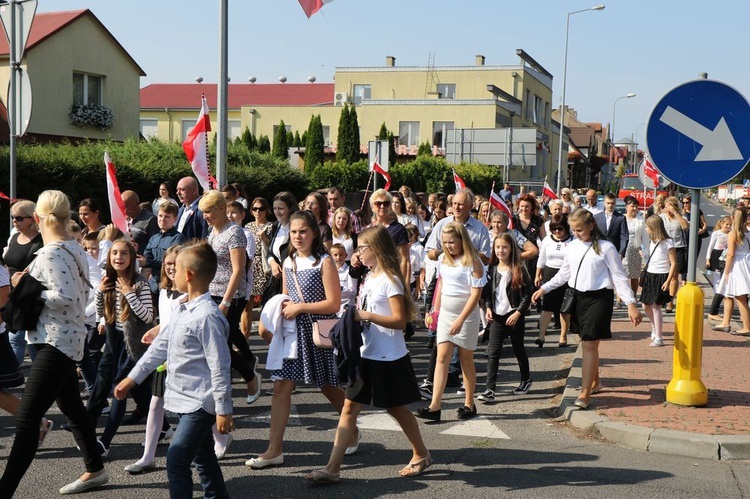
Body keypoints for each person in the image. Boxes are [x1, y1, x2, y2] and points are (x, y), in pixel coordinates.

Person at [0, 190, 109, 496]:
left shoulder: (52, 252)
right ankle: (96, 469)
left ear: (37, 219)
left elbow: (67, 296)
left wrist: (28, 288)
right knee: (71, 405)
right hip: (64, 337)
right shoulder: (73, 246)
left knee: (27, 420)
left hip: (56, 341)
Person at [306, 225, 430, 484]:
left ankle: (421, 453)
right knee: (349, 408)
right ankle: (332, 468)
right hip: (367, 353)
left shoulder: (390, 280)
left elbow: (400, 321)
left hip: (388, 356)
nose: (358, 253)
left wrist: (365, 315)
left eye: (362, 248)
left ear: (376, 249)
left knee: (396, 409)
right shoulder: (370, 276)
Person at [114, 241, 234, 499]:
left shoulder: (208, 316)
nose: (172, 274)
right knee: (203, 456)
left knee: (177, 458)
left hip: (202, 403)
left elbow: (220, 366)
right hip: (183, 399)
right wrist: (132, 378)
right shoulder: (181, 307)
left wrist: (224, 410)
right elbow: (159, 348)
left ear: (188, 275)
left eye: (176, 269)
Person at [246, 211, 352, 470]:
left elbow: (334, 303)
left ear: (314, 232)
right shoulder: (289, 260)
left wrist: (301, 307)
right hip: (292, 332)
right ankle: (274, 450)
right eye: (293, 232)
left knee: (327, 385)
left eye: (303, 231)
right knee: (281, 386)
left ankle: (352, 428)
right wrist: (274, 317)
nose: (298, 236)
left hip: (316, 330)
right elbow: (284, 296)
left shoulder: (324, 261)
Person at [532, 209, 642, 410]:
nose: (575, 233)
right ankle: (595, 381)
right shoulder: (572, 246)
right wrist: (544, 288)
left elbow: (619, 276)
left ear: (591, 226)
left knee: (589, 344)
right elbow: (564, 274)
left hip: (599, 298)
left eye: (579, 230)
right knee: (587, 342)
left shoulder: (606, 248)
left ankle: (585, 392)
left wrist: (630, 304)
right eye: (573, 230)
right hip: (577, 297)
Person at [415, 222, 485, 422]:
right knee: (441, 358)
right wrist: (434, 311)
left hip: (466, 317)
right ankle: (435, 405)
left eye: (452, 242)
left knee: (465, 360)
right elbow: (441, 284)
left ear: (462, 240)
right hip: (445, 315)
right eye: (445, 242)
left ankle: (469, 404)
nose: (448, 246)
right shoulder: (444, 260)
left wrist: (460, 320)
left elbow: (475, 296)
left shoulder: (473, 262)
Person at [123, 245, 183, 474]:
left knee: (195, 407)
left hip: (183, 358)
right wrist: (156, 330)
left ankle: (219, 440)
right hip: (164, 355)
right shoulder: (164, 292)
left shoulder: (188, 295)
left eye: (175, 264)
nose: (170, 267)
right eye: (167, 263)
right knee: (155, 403)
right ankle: (148, 456)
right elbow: (167, 322)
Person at [95, 239, 156, 456]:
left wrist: (130, 293)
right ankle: (166, 429)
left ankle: (104, 442)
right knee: (141, 391)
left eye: (123, 254)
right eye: (114, 254)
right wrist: (100, 292)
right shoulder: (109, 282)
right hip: (116, 343)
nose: (118, 258)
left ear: (131, 259)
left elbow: (148, 316)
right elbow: (101, 313)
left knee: (119, 391)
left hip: (135, 346)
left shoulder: (140, 283)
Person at [200, 190, 260, 404]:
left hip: (232, 295)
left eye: (208, 211)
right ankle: (247, 365)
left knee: (220, 344)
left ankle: (251, 377)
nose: (205, 215)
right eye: (203, 212)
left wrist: (226, 301)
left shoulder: (235, 232)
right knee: (224, 338)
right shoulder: (213, 231)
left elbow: (238, 269)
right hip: (212, 292)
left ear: (221, 208)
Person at [478, 232, 532, 402]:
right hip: (497, 317)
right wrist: (487, 307)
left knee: (518, 349)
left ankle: (526, 379)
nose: (501, 250)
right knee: (493, 352)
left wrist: (518, 313)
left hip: (514, 314)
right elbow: (487, 293)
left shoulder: (518, 269)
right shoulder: (492, 270)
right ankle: (490, 390)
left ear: (511, 249)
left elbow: (526, 295)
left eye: (504, 247)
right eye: (498, 247)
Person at [4, 199, 43, 366]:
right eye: (13, 217)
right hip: (10, 294)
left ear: (32, 218)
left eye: (20, 218)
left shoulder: (40, 241)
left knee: (21, 340)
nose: (15, 221)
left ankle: (12, 378)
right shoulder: (14, 237)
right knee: (22, 341)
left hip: (28, 296)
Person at [535, 214, 574, 347]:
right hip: (550, 273)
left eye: (560, 228)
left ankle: (563, 336)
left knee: (565, 308)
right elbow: (542, 257)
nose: (557, 231)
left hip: (567, 276)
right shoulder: (547, 240)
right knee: (547, 307)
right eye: (554, 229)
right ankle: (541, 336)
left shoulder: (573, 241)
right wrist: (538, 274)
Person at [640, 216, 677, 347]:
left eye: (647, 227)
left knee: (656, 307)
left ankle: (659, 337)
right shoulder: (652, 241)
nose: (646, 229)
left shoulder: (668, 242)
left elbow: (673, 263)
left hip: (661, 275)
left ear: (654, 228)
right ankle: (655, 325)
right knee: (645, 305)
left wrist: (668, 281)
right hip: (650, 274)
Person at [713, 208, 750, 334]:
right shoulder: (747, 233)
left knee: (740, 297)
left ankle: (746, 327)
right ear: (746, 219)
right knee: (727, 294)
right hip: (745, 263)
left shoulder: (733, 234)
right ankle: (725, 322)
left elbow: (730, 254)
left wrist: (727, 271)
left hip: (736, 266)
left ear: (733, 218)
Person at [243, 197, 274, 335]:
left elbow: (272, 249)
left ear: (266, 210)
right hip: (250, 266)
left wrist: (264, 238)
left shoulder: (272, 226)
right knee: (246, 306)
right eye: (255, 208)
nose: (258, 211)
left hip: (264, 266)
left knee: (266, 305)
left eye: (261, 208)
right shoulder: (248, 226)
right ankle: (245, 340)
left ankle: (269, 335)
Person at [140, 202, 185, 292]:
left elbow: (172, 264)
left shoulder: (178, 238)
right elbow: (146, 257)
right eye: (160, 216)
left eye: (167, 216)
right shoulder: (154, 238)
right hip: (153, 285)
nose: (162, 219)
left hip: (168, 285)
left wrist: (147, 262)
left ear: (175, 219)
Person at [265, 191, 299, 303]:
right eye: (275, 208)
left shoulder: (297, 228)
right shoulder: (275, 226)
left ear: (290, 208)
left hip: (294, 279)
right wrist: (273, 263)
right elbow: (269, 252)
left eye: (280, 208)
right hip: (276, 281)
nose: (277, 212)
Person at [660, 196, 688, 313]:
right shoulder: (661, 217)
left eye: (670, 206)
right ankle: (662, 297)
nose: (668, 209)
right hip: (664, 248)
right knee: (663, 273)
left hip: (678, 247)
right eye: (666, 206)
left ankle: (670, 301)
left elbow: (685, 226)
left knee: (674, 275)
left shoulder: (681, 217)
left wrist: (675, 213)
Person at [622, 196, 649, 302]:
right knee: (622, 275)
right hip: (623, 250)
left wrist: (646, 252)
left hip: (635, 249)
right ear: (626, 207)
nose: (634, 208)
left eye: (636, 206)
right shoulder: (621, 219)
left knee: (634, 275)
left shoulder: (641, 220)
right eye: (632, 206)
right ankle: (621, 299)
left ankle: (633, 297)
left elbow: (645, 238)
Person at [706, 216, 731, 321]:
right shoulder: (717, 233)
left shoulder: (730, 234)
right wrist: (708, 259)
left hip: (725, 256)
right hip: (716, 256)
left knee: (723, 278)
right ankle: (718, 300)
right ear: (722, 224)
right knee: (717, 280)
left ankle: (720, 300)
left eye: (730, 225)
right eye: (726, 224)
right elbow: (710, 246)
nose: (728, 227)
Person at [594, 193, 628, 257]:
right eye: (608, 203)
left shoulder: (621, 218)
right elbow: (593, 235)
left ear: (615, 203)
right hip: (599, 251)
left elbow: (624, 237)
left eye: (612, 203)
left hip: (614, 251)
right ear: (604, 203)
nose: (610, 205)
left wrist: (621, 253)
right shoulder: (596, 217)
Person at [330, 243, 357, 312]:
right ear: (330, 256)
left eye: (341, 255)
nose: (338, 258)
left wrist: (339, 288)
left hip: (346, 309)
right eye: (335, 255)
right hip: (333, 308)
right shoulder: (329, 271)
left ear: (346, 256)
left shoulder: (350, 271)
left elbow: (353, 291)